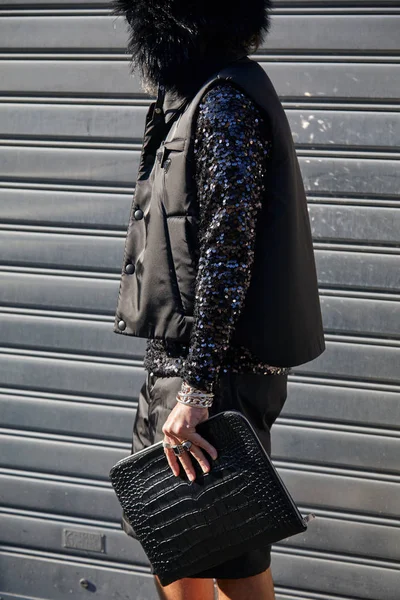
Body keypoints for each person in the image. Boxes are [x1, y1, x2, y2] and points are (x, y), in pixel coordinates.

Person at [110, 0, 325, 598]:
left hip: (213, 380)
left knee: (233, 565)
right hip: (178, 370)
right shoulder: (191, 102)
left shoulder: (225, 103)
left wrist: (197, 390)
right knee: (175, 552)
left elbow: (230, 256)